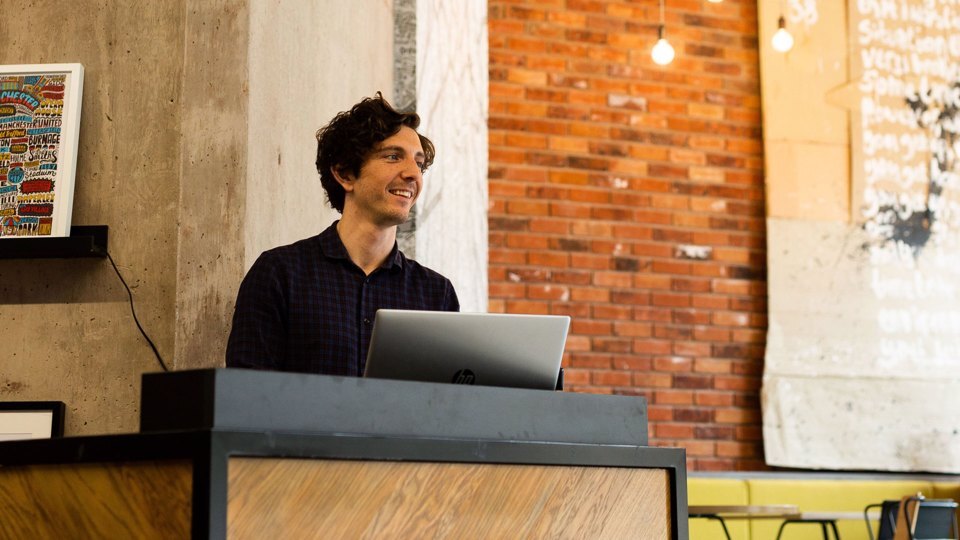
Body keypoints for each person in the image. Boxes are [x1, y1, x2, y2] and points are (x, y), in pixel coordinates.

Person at [226, 93, 459, 375]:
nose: (413, 174)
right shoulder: (279, 274)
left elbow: (446, 407)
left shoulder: (436, 295)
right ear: (345, 174)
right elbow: (248, 399)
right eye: (393, 156)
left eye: (419, 163)